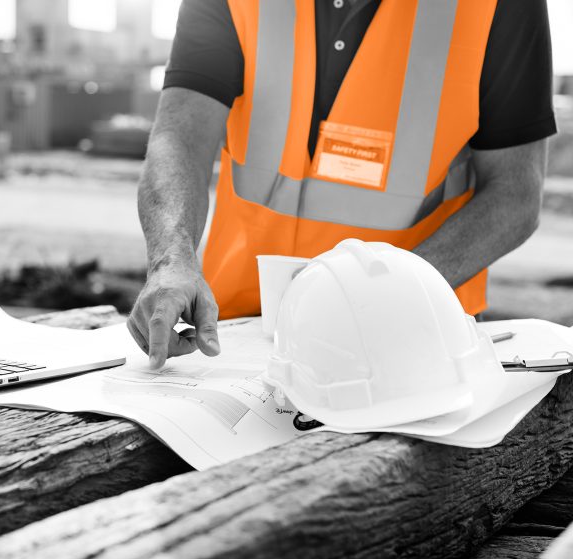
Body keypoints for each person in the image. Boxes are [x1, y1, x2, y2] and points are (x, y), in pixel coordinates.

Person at [128, 0, 557, 369]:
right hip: (239, 334)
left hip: (413, 341)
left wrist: (385, 294)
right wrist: (171, 261)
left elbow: (516, 193)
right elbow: (180, 138)